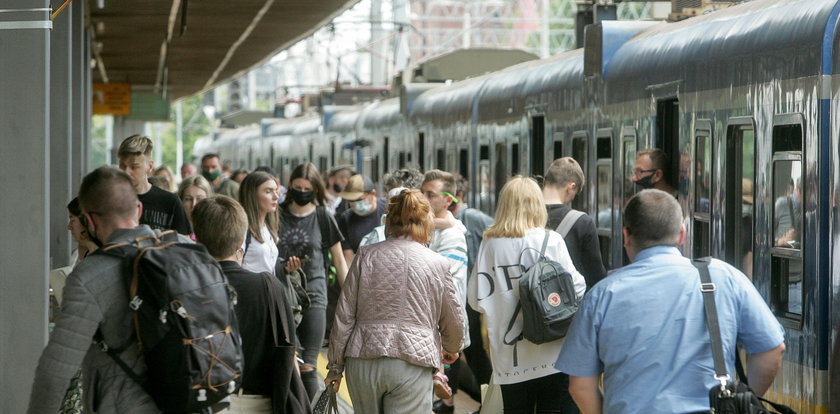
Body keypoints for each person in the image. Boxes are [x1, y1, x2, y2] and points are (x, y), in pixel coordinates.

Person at [555, 189, 786, 414]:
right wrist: (743, 401)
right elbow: (772, 349)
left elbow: (580, 386)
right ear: (682, 234)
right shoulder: (723, 277)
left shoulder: (602, 295)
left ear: (626, 235)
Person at [28, 166, 159, 414]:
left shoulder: (91, 276)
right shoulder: (184, 251)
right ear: (139, 209)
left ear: (88, 220)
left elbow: (56, 371)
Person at [326, 189, 465, 414]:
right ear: (427, 222)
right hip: (412, 362)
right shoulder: (437, 263)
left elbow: (344, 315)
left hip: (363, 360)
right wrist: (452, 347)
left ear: (388, 221)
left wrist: (335, 368)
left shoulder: (365, 255)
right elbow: (452, 317)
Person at [468, 176, 586, 414]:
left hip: (510, 358)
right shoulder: (550, 240)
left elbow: (475, 299)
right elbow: (578, 288)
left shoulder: (490, 244)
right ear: (537, 204)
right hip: (553, 352)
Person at [192, 196, 310, 414]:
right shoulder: (268, 287)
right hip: (258, 404)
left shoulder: (188, 290)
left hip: (203, 404)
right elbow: (287, 353)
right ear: (240, 241)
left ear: (197, 240)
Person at [277, 162, 349, 401]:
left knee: (309, 362)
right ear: (290, 187)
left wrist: (351, 297)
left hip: (314, 295)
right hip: (282, 295)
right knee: (288, 359)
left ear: (316, 189)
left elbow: (339, 260)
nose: (302, 191)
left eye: (307, 187)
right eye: (297, 187)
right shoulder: (277, 214)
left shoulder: (322, 216)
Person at [421, 170, 470, 414]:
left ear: (448, 200)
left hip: (442, 327)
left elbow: (440, 280)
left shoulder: (453, 234)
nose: (424, 198)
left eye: (430, 194)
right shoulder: (429, 228)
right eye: (422, 193)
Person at [449, 173, 494, 403]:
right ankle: (449, 400)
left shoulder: (474, 218)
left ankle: (489, 398)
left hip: (470, 297)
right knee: (457, 349)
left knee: (473, 348)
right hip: (454, 296)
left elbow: (498, 235)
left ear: (460, 195)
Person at [543, 157, 607, 289]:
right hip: (564, 304)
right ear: (571, 187)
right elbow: (596, 276)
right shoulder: (582, 222)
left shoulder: (521, 216)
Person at [118, 134, 192, 235]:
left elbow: (185, 243)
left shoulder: (170, 202)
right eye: (122, 166)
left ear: (150, 166)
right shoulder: (112, 200)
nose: (126, 172)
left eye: (134, 167)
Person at [358, 168, 424, 247]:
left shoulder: (436, 232)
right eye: (389, 198)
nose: (391, 206)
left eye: (396, 199)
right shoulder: (377, 236)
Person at [336, 174, 385, 265]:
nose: (355, 204)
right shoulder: (345, 219)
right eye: (351, 201)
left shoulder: (388, 209)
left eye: (359, 199)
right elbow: (348, 257)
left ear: (373, 193)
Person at [239, 171, 280, 275]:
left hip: (269, 289)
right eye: (268, 191)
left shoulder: (268, 228)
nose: (276, 197)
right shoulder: (241, 230)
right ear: (252, 195)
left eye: (276, 191)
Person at [178, 175, 214, 239]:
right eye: (188, 199)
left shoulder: (215, 229)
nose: (194, 204)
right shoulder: (174, 230)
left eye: (199, 199)